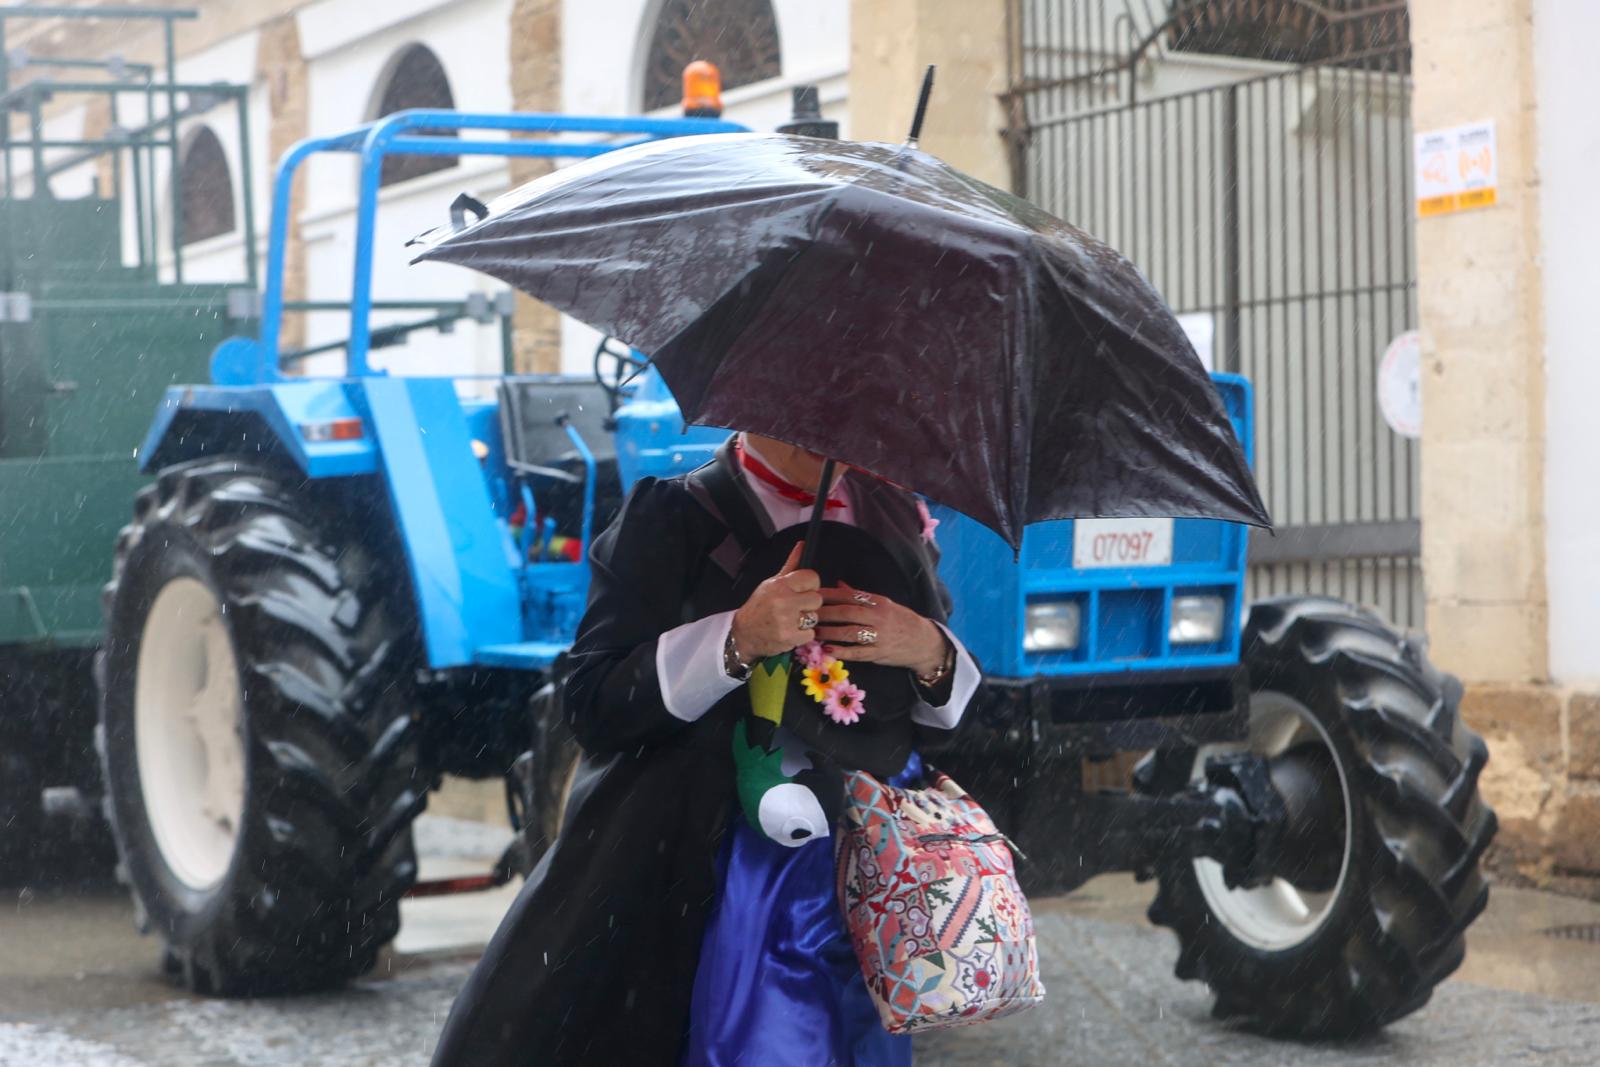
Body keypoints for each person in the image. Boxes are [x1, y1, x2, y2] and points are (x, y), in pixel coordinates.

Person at [428, 432, 979, 1067]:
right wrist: (738, 637)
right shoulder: (675, 515)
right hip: (696, 865)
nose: (826, 435)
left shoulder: (892, 515)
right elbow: (595, 704)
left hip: (854, 875)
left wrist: (928, 650)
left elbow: (938, 722)